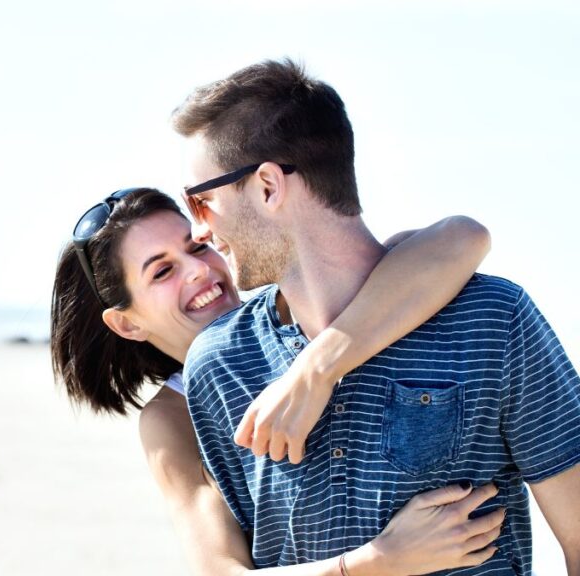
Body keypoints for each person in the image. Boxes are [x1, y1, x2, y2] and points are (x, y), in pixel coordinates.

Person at [174, 59, 580, 575]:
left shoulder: (491, 320)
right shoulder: (222, 364)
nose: (199, 232)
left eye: (202, 201)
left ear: (269, 187)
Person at [51, 187, 497, 574]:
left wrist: (314, 370)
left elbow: (463, 237)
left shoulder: (305, 306)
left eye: (197, 247)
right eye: (162, 271)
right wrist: (380, 562)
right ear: (127, 324)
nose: (198, 270)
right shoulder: (171, 419)